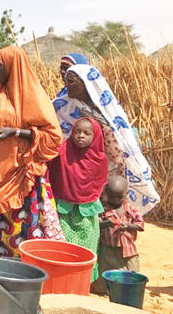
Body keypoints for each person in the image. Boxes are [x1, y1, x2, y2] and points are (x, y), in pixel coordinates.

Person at [0, 45, 64, 257]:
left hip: (19, 176)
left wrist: (16, 133)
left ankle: (19, 273)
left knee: (20, 227)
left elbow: (53, 137)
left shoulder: (32, 98)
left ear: (11, 67)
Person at [54, 63, 159, 216]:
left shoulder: (107, 109)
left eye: (71, 81)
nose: (66, 85)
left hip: (105, 162)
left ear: (86, 84)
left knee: (106, 198)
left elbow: (120, 136)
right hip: (72, 164)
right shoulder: (61, 106)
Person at [48, 117, 109, 281]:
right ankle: (60, 279)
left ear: (95, 136)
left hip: (86, 212)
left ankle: (80, 281)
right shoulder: (63, 151)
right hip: (63, 210)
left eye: (87, 133)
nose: (81, 136)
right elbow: (51, 171)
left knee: (86, 247)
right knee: (61, 245)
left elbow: (100, 184)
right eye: (77, 132)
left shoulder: (99, 159)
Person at [93, 176, 144, 293]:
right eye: (112, 197)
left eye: (119, 197)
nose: (115, 201)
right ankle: (103, 290)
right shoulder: (103, 211)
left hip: (127, 250)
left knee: (131, 271)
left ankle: (127, 289)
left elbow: (140, 225)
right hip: (107, 248)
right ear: (106, 194)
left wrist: (128, 225)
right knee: (104, 272)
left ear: (126, 194)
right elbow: (97, 225)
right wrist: (107, 223)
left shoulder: (131, 210)